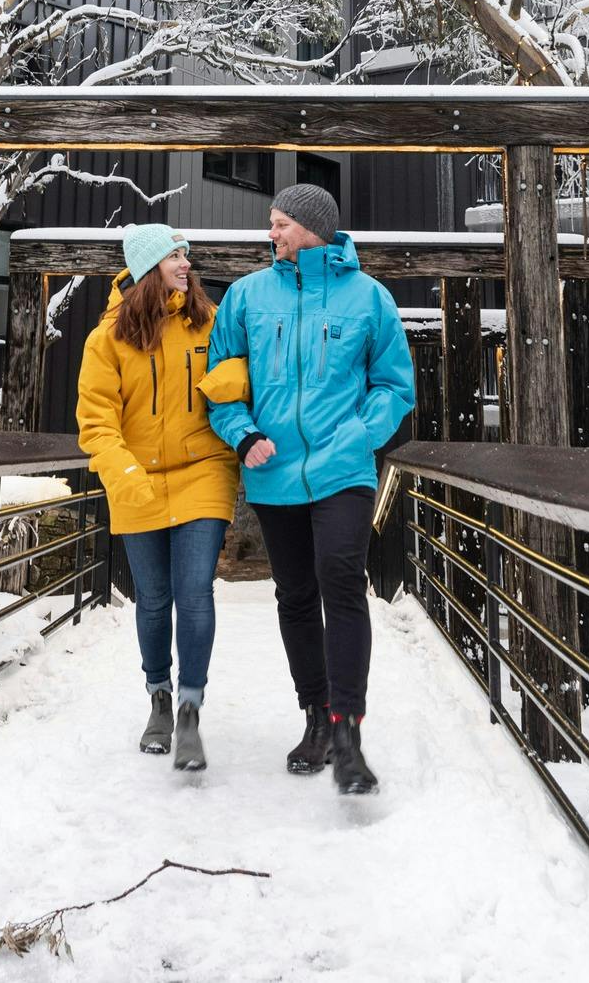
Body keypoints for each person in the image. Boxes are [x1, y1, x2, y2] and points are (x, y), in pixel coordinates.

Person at [199, 183, 414, 795]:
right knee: (295, 594)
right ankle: (316, 716)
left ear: (312, 227)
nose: (271, 234)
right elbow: (220, 386)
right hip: (272, 474)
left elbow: (394, 387)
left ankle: (349, 732)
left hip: (342, 470)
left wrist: (359, 436)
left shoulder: (370, 299)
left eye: (280, 224)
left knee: (341, 580)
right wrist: (242, 436)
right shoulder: (245, 297)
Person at [74, 224, 239, 773]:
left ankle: (190, 710)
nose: (186, 263)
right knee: (153, 598)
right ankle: (159, 699)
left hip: (202, 471)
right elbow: (96, 423)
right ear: (148, 267)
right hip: (136, 478)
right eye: (174, 255)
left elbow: (240, 372)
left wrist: (231, 380)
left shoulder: (207, 321)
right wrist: (123, 474)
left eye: (187, 254)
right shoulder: (107, 340)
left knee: (194, 592)